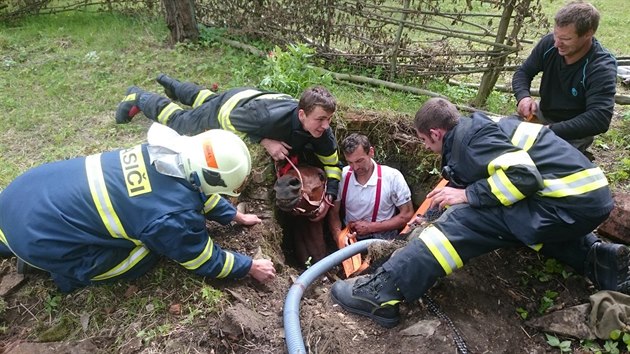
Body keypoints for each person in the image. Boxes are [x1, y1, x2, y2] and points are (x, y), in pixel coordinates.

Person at [330, 97, 630, 328]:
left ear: (436, 132)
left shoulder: (470, 138)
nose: (426, 147)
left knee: (463, 221)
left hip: (566, 201)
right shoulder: (482, 127)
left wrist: (466, 196)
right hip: (585, 199)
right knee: (513, 222)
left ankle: (380, 292)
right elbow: (502, 177)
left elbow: (524, 178)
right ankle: (600, 260)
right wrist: (439, 210)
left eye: (424, 140)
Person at [0, 124, 276, 293]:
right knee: (146, 255)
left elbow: (197, 188)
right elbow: (201, 258)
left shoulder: (161, 153)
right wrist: (249, 266)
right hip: (38, 237)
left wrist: (232, 215)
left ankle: (14, 243)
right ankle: (65, 273)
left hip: (21, 194)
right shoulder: (170, 218)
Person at [115, 74, 342, 216]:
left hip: (247, 98)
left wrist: (331, 191)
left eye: (328, 119)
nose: (325, 125)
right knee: (182, 122)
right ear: (302, 114)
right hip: (231, 111)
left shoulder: (321, 131)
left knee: (206, 99)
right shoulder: (268, 118)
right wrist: (263, 140)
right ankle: (139, 97)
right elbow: (228, 118)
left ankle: (171, 84)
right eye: (320, 119)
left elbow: (332, 162)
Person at [511, 1, 617, 155]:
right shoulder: (549, 44)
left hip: (573, 132)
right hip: (542, 115)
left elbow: (599, 118)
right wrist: (523, 97)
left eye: (566, 39)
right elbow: (523, 72)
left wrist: (548, 131)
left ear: (588, 33)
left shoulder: (600, 67)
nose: (557, 43)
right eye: (556, 35)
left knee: (540, 161)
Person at [328, 133, 414, 242]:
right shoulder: (342, 176)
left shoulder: (392, 177)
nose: (355, 167)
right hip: (351, 240)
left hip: (384, 241)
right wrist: (339, 237)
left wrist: (371, 227)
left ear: (371, 152)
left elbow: (407, 215)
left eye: (359, 161)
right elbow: (333, 212)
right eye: (350, 162)